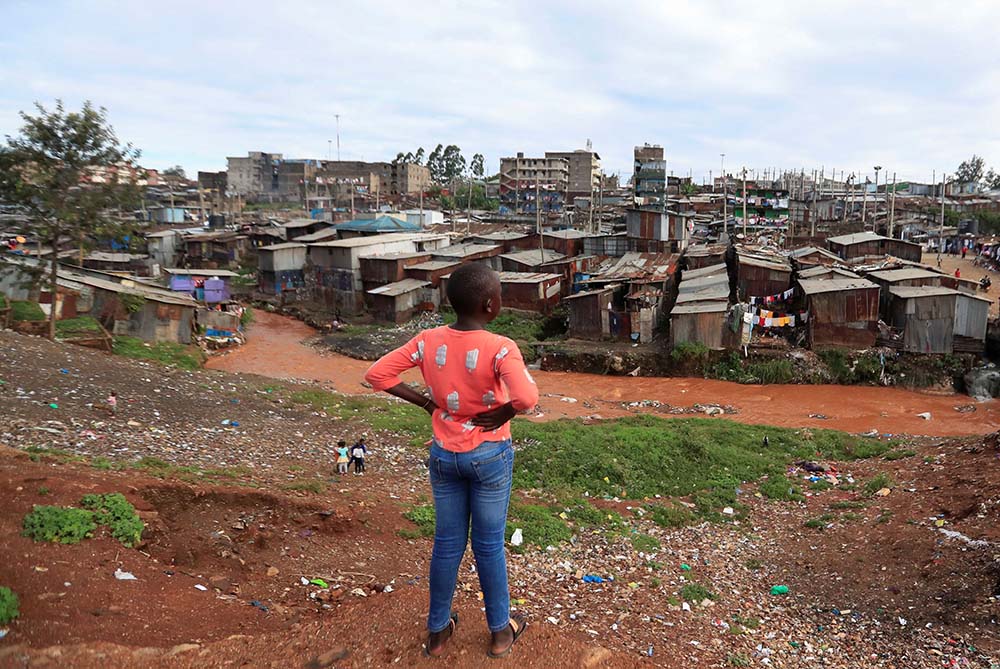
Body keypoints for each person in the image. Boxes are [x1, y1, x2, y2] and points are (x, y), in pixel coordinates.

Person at [365, 263, 538, 660]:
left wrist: (428, 402)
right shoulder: (500, 347)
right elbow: (527, 398)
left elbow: (377, 375)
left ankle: (439, 631)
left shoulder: (428, 340)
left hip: (444, 456)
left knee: (447, 544)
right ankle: (499, 633)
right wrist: (505, 412)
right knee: (489, 545)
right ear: (491, 304)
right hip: (489, 456)